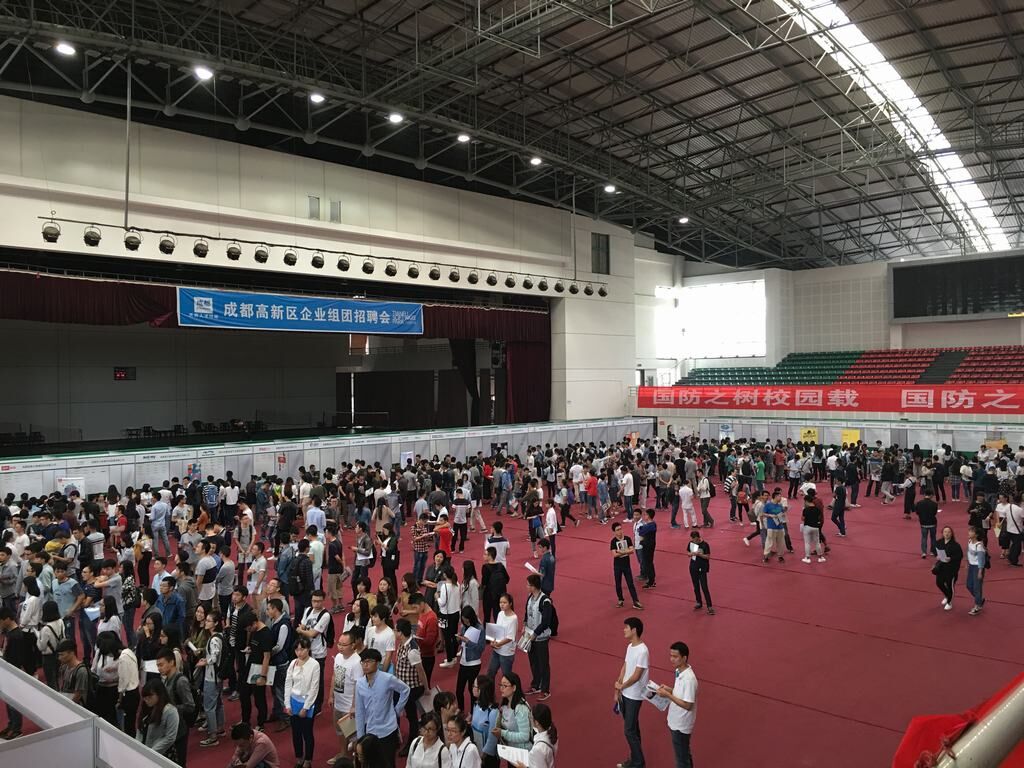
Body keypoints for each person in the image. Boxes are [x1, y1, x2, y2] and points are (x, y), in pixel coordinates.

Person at [354, 647, 411, 767]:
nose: (365, 665)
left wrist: (397, 710)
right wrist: (360, 737)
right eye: (363, 662)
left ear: (377, 663)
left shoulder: (387, 679)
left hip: (388, 730)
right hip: (370, 731)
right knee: (372, 763)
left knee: (388, 763)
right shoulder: (359, 684)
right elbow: (359, 711)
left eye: (369, 661)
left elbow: (405, 690)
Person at [655, 641, 698, 768]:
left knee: (681, 760)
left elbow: (688, 705)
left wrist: (668, 695)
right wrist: (669, 689)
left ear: (684, 658)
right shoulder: (679, 671)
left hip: (681, 725)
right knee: (684, 755)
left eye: (675, 656)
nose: (671, 659)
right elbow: (681, 693)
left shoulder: (689, 679)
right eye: (671, 655)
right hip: (676, 721)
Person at [615, 617, 649, 768]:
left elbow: (637, 675)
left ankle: (638, 762)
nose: (624, 630)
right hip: (625, 693)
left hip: (634, 695)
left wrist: (622, 686)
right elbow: (625, 666)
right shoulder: (630, 647)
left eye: (626, 627)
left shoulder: (643, 651)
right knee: (633, 728)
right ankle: (635, 757)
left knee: (629, 730)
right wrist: (618, 686)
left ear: (634, 630)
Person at [392, 618, 428, 757]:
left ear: (400, 633)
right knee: (401, 711)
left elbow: (420, 670)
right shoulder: (403, 643)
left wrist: (426, 688)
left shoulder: (412, 650)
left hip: (411, 688)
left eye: (395, 630)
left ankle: (412, 743)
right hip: (401, 686)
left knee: (412, 716)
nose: (394, 632)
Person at [156, 646, 196, 766]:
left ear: (172, 662)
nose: (159, 668)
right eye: (158, 665)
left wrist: (171, 709)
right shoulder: (166, 679)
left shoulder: (180, 681)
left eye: (161, 665)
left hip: (180, 729)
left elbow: (190, 706)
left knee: (179, 762)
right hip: (169, 728)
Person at [285, 636, 319, 768]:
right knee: (296, 732)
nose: (299, 652)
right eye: (297, 650)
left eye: (302, 649)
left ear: (308, 649)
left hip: (307, 702)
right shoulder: (293, 663)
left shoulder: (314, 664)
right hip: (294, 700)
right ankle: (299, 757)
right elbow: (288, 684)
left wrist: (306, 707)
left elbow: (314, 688)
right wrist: (287, 704)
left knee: (307, 733)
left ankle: (308, 759)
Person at [0, 606, 31, 738]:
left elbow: (17, 658)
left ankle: (17, 728)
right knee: (8, 700)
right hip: (8, 671)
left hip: (14, 672)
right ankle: (12, 724)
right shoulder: (9, 633)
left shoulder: (17, 636)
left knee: (14, 702)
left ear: (7, 619)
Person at [197, 611, 226, 747]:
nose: (206, 622)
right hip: (218, 676)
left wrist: (205, 662)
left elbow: (214, 658)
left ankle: (212, 735)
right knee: (218, 703)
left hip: (212, 677)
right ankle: (220, 727)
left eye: (209, 621)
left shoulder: (214, 639)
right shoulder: (220, 636)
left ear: (216, 623)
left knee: (209, 706)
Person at [523, 574, 553, 701]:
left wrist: (535, 633)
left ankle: (545, 689)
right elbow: (527, 612)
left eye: (528, 584)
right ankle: (536, 684)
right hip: (530, 635)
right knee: (533, 661)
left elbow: (546, 621)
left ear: (534, 586)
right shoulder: (530, 597)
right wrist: (524, 624)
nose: (526, 586)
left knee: (543, 663)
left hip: (540, 637)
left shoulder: (545, 601)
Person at [137, 678, 181, 759]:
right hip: (145, 751)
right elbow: (140, 729)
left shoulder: (170, 711)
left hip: (161, 754)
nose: (146, 700)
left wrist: (152, 752)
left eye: (150, 697)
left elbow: (170, 737)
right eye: (145, 697)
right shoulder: (146, 708)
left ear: (159, 694)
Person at [455, 605, 486, 713]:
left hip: (474, 663)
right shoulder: (464, 627)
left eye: (467, 620)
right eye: (463, 620)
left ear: (471, 618)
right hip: (463, 662)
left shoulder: (480, 629)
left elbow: (481, 648)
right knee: (459, 690)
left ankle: (473, 713)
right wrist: (459, 639)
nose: (465, 622)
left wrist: (468, 642)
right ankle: (461, 709)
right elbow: (462, 643)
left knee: (472, 690)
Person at [511, 702, 558, 768]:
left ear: (536, 722)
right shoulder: (552, 732)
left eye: (530, 717)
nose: (529, 719)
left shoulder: (538, 749)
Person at [493, 672, 531, 752]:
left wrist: (502, 733)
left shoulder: (521, 709)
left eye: (505, 686)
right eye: (500, 685)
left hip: (522, 752)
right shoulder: (505, 705)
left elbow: (525, 736)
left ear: (514, 688)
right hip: (510, 750)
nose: (501, 688)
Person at [610, 523, 642, 610]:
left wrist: (621, 552)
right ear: (614, 532)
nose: (620, 531)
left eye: (620, 529)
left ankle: (635, 601)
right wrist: (626, 551)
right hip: (617, 566)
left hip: (626, 565)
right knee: (618, 584)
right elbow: (614, 555)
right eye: (617, 530)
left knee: (630, 583)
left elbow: (632, 550)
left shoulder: (627, 539)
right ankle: (620, 599)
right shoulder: (613, 541)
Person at [485, 593, 517, 681]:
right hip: (497, 649)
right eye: (500, 602)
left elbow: (510, 637)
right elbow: (497, 630)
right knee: (490, 672)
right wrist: (493, 641)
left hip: (506, 652)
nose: (502, 604)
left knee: (506, 677)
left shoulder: (513, 618)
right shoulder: (500, 614)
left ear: (510, 604)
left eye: (504, 602)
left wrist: (498, 644)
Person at [471, 675, 500, 767]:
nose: (472, 688)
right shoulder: (476, 705)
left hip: (488, 757)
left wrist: (484, 753)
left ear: (481, 690)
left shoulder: (493, 712)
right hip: (476, 749)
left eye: (474, 686)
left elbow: (493, 738)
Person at [934, 526, 963, 612]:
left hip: (951, 569)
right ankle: (947, 596)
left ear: (952, 534)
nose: (947, 533)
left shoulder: (955, 545)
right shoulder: (939, 542)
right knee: (939, 583)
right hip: (941, 567)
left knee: (950, 585)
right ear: (942, 533)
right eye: (945, 532)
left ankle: (949, 602)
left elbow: (960, 556)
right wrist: (937, 556)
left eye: (949, 532)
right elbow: (934, 550)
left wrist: (951, 558)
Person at [687, 530, 713, 615]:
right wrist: (692, 553)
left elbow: (708, 556)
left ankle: (709, 606)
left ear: (698, 538)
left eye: (695, 539)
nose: (694, 541)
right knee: (696, 586)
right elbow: (688, 553)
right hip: (693, 567)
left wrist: (699, 554)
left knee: (704, 587)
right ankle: (699, 602)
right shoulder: (691, 543)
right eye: (692, 539)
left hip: (702, 568)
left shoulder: (705, 545)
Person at [965, 526, 988, 616]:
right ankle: (979, 599)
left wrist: (980, 571)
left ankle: (977, 606)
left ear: (976, 535)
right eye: (969, 531)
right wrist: (967, 562)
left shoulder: (979, 546)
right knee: (969, 585)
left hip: (977, 567)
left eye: (971, 532)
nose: (969, 533)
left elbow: (981, 560)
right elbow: (968, 552)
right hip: (971, 566)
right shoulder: (969, 541)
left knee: (977, 587)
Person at [800, 492, 826, 564]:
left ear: (806, 501)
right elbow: (819, 518)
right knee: (817, 543)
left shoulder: (806, 509)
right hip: (816, 527)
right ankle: (820, 557)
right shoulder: (817, 509)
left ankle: (807, 558)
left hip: (807, 527)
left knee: (807, 543)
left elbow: (802, 518)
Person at [915, 490, 939, 559]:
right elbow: (935, 513)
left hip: (923, 523)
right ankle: (932, 551)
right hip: (932, 523)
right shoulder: (934, 504)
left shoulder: (919, 503)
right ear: (931, 495)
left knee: (924, 537)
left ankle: (924, 552)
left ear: (924, 494)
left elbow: (917, 512)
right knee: (933, 537)